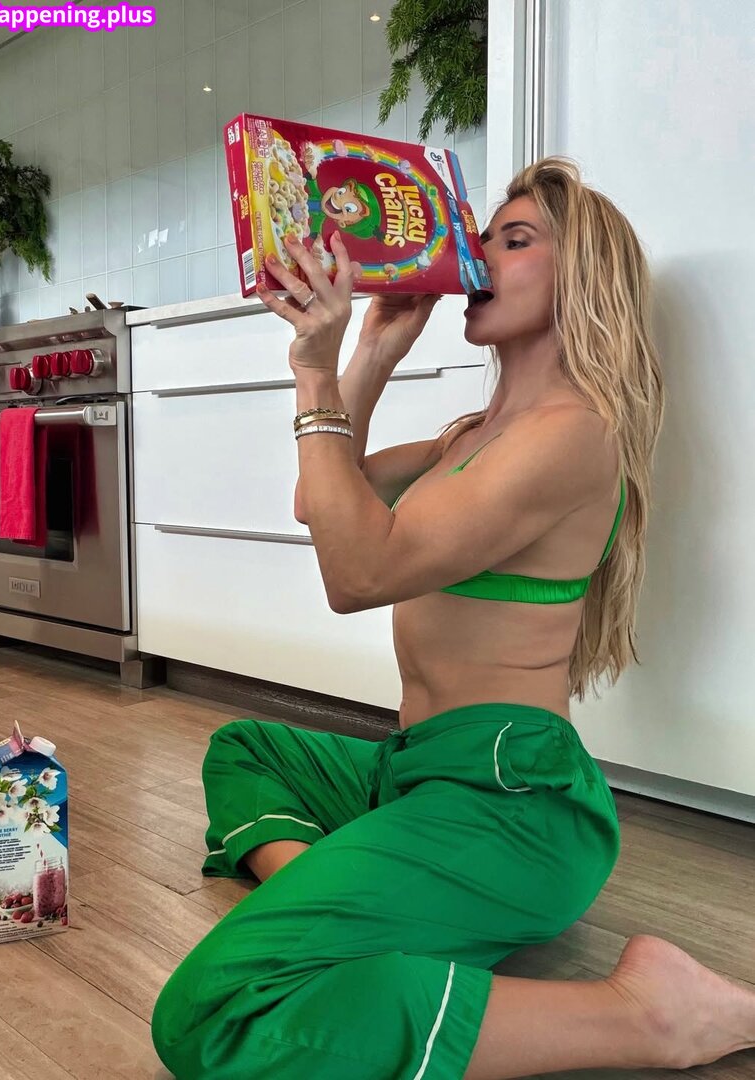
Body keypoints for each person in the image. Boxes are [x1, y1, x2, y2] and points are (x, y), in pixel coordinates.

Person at [152, 158, 755, 1078]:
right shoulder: (469, 437)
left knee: (213, 1013)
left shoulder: (576, 433)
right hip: (417, 770)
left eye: (515, 240)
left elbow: (357, 572)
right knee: (245, 749)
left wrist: (312, 370)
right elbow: (321, 502)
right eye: (479, 239)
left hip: (511, 804)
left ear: (582, 275)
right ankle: (358, 904)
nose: (477, 257)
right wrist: (372, 350)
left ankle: (644, 1015)